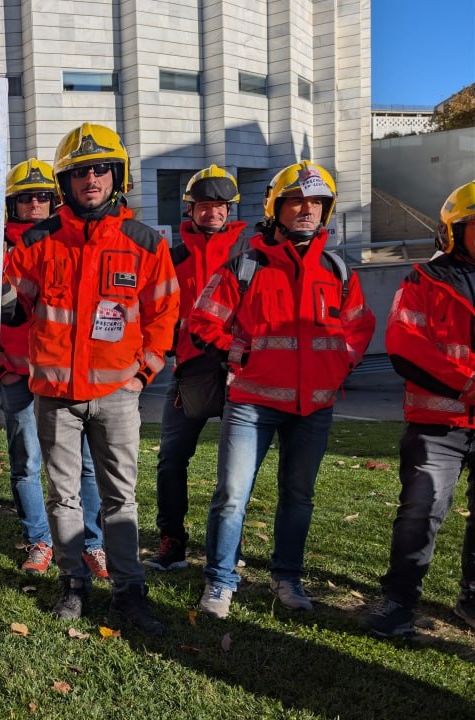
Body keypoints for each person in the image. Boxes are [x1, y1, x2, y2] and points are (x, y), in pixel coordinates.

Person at [2, 123, 178, 635]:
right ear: (66, 183)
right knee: (63, 495)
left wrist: (145, 370)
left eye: (100, 168)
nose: (91, 179)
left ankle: (130, 591)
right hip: (54, 396)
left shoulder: (144, 242)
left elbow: (164, 311)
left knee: (121, 496)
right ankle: (74, 582)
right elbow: (15, 311)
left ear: (116, 175)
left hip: (119, 395)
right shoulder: (38, 240)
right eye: (79, 172)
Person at [188, 160, 375, 619]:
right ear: (277, 207)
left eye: (317, 202)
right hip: (252, 403)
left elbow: (359, 327)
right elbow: (203, 320)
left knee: (299, 496)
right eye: (297, 201)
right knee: (232, 495)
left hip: (314, 406)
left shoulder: (337, 269)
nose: (307, 209)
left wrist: (337, 366)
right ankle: (220, 580)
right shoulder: (244, 265)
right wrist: (240, 357)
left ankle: (286, 578)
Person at [368, 181, 475, 637]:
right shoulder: (425, 280)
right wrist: (468, 383)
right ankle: (399, 601)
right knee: (421, 511)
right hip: (438, 426)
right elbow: (404, 346)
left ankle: (472, 599)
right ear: (454, 230)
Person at [0, 159, 107, 579]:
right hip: (17, 373)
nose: (36, 205)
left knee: (85, 464)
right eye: (25, 198)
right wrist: (3, 366)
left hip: (65, 374)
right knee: (26, 461)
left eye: (44, 196)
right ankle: (39, 540)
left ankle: (91, 544)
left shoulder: (71, 242)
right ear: (12, 204)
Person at [146, 166, 250, 571]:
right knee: (172, 459)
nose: (213, 214)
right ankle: (172, 541)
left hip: (239, 369)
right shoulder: (172, 257)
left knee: (235, 466)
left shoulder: (249, 253)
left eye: (220, 207)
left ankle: (228, 548)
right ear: (189, 210)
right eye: (204, 206)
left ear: (229, 211)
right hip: (190, 368)